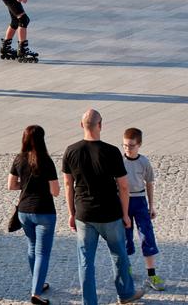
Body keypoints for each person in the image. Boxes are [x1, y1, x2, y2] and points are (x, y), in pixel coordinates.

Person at [62, 109, 146, 305]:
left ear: (81, 125)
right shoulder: (111, 152)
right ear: (101, 125)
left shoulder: (71, 151)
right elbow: (123, 186)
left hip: (84, 214)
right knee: (119, 255)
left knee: (85, 261)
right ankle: (125, 294)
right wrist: (125, 214)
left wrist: (71, 213)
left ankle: (89, 302)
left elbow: (68, 184)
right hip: (110, 214)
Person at [8, 125, 59, 305]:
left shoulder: (18, 159)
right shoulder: (46, 160)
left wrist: (27, 184)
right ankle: (36, 293)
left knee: (32, 247)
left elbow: (11, 185)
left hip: (24, 212)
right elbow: (55, 191)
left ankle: (39, 283)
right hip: (44, 212)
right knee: (43, 253)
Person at [121, 128, 165, 292]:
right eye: (125, 145)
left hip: (139, 200)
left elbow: (149, 184)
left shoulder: (144, 162)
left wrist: (151, 205)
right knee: (125, 237)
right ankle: (126, 270)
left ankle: (151, 274)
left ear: (139, 145)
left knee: (147, 235)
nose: (127, 149)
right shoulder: (119, 161)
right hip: (123, 201)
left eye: (131, 146)